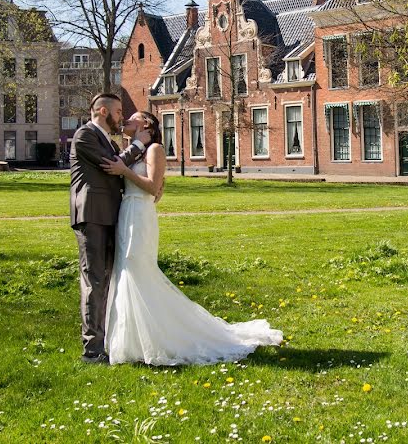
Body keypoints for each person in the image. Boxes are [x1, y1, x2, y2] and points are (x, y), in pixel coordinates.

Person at [100, 111, 282, 365]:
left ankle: (157, 338)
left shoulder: (155, 150)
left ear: (147, 125)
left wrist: (125, 172)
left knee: (137, 268)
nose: (127, 120)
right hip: (127, 211)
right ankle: (131, 340)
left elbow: (152, 186)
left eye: (133, 117)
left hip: (140, 213)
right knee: (126, 269)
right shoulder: (134, 149)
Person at [70, 93, 151, 364]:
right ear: (103, 111)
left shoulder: (107, 140)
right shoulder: (85, 135)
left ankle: (108, 340)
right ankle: (92, 351)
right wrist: (139, 143)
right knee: (94, 280)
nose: (121, 119)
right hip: (92, 215)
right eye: (118, 113)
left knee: (107, 279)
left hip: (111, 216)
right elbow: (111, 167)